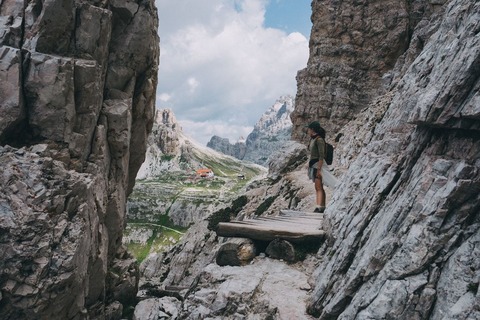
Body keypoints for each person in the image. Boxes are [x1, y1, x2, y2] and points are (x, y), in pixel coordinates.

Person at [306, 121, 327, 213]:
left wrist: (319, 169)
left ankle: (319, 207)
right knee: (319, 186)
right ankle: (322, 206)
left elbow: (321, 156)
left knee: (318, 187)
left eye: (309, 129)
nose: (308, 131)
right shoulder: (314, 139)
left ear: (312, 129)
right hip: (314, 165)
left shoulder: (319, 140)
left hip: (317, 165)